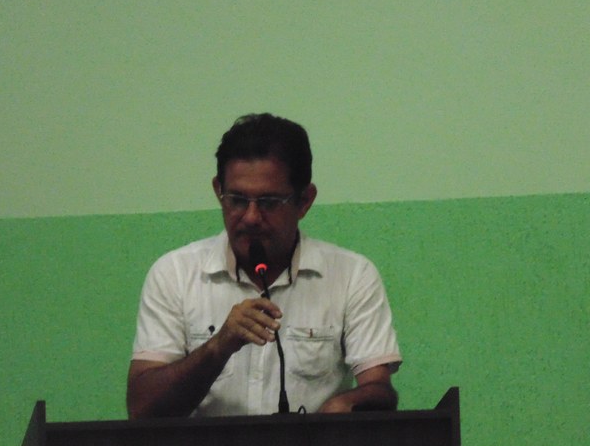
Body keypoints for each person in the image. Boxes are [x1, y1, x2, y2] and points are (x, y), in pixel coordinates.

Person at [127, 113, 401, 418]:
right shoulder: (175, 274)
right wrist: (218, 347)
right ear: (219, 191)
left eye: (269, 202)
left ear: (304, 201)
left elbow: (380, 390)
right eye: (237, 200)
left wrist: (348, 403)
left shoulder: (351, 276)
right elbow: (142, 408)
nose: (251, 217)